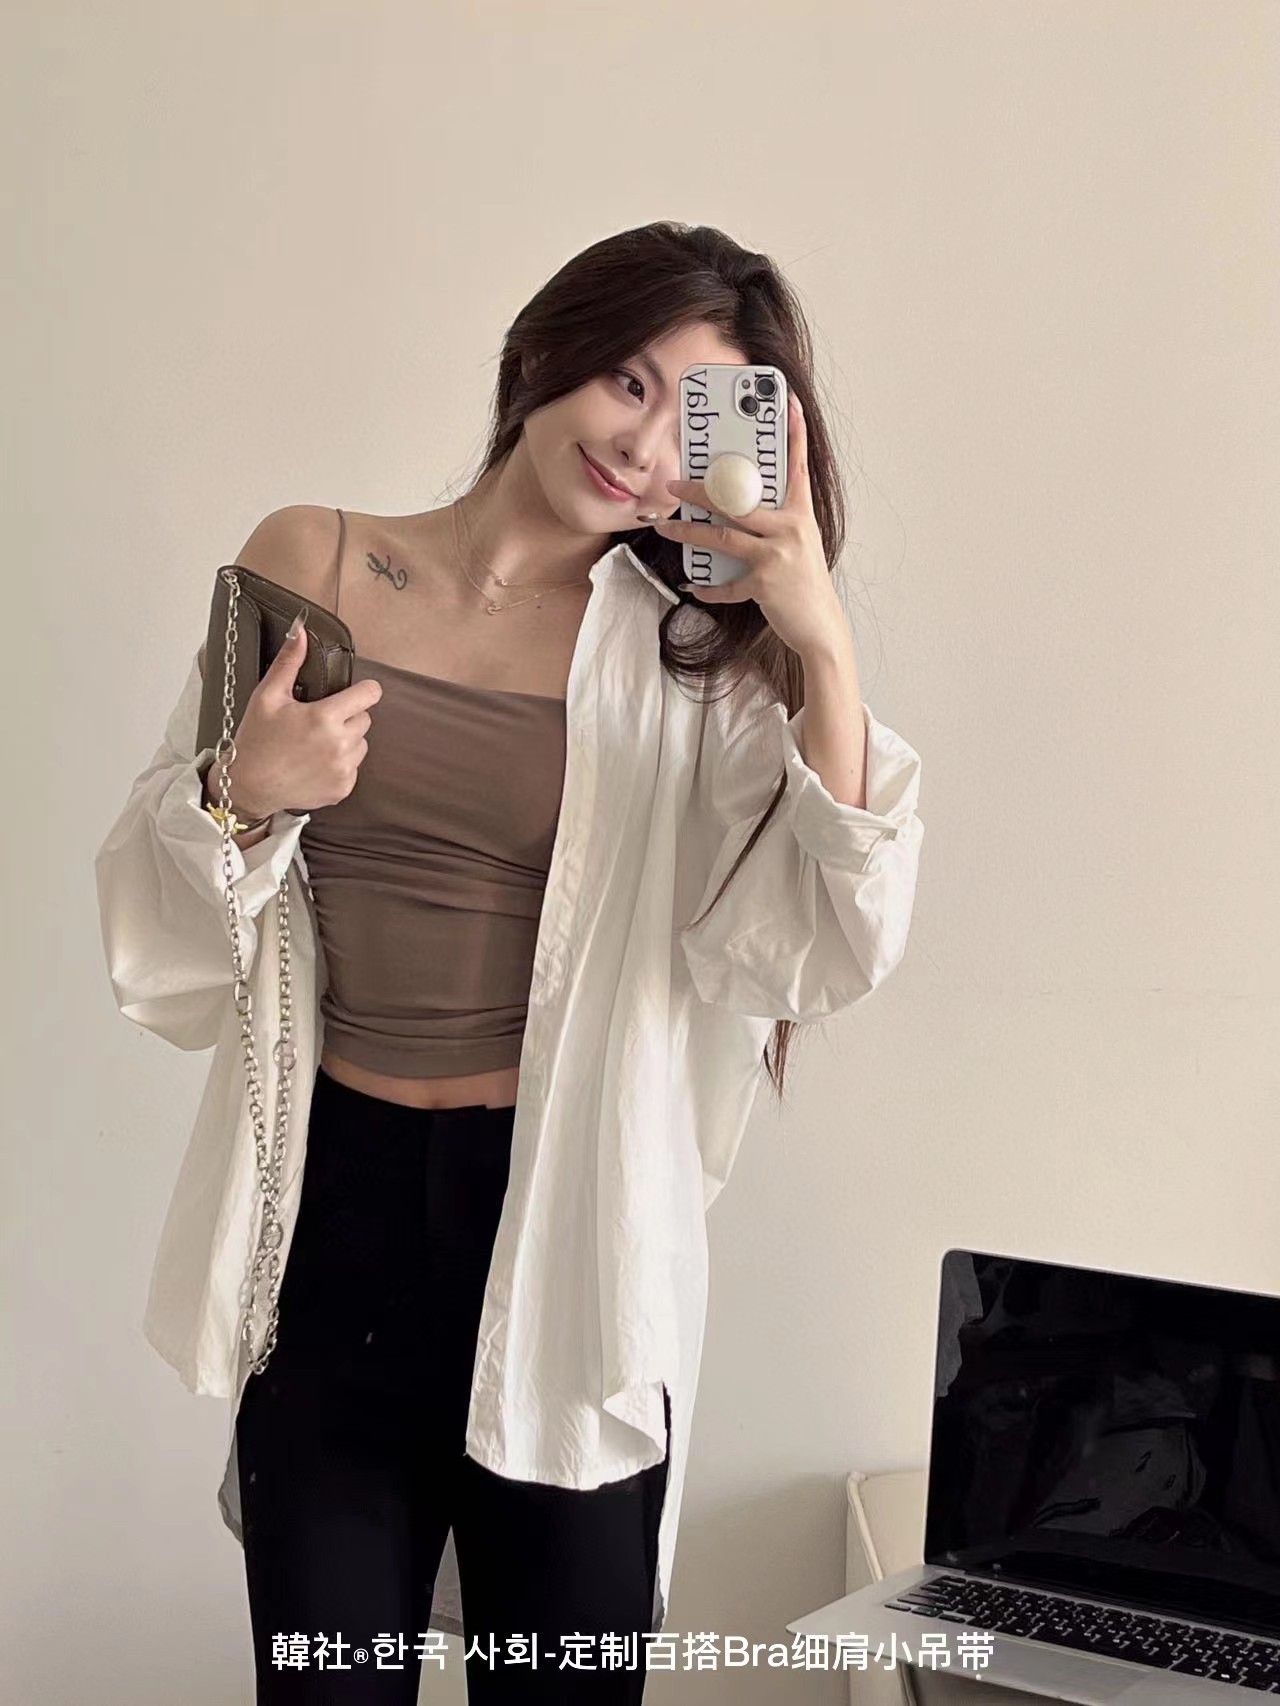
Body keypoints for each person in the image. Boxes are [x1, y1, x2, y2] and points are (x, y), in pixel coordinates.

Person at [94, 220, 926, 1702]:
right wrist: (244, 793)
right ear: (545, 350)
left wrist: (821, 642)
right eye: (626, 380)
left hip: (568, 1241)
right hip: (333, 1221)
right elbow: (164, 924)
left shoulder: (692, 662)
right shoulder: (310, 558)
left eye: (692, 421)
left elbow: (825, 940)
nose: (643, 446)